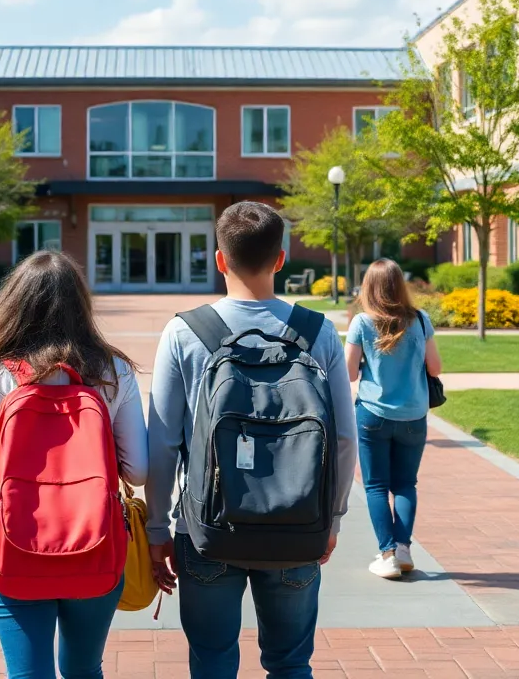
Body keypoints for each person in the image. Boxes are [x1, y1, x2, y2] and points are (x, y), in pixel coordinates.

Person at [147, 201, 357, 679]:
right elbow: (344, 437)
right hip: (299, 525)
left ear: (219, 259)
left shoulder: (184, 333)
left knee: (213, 661)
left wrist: (158, 528)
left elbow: (161, 442)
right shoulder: (318, 330)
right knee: (290, 663)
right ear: (281, 259)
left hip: (207, 531)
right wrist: (333, 518)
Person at [0, 251, 147, 679]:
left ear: (13, 305)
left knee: (28, 674)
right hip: (96, 540)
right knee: (83, 669)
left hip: (14, 541)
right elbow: (137, 471)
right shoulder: (113, 370)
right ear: (81, 304)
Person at [344, 258, 442, 580]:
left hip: (373, 414)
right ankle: (403, 549)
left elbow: (348, 372)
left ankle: (386, 555)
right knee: (405, 484)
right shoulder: (421, 320)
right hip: (414, 415)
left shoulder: (361, 322)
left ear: (369, 286)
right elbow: (435, 368)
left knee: (375, 486)